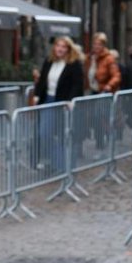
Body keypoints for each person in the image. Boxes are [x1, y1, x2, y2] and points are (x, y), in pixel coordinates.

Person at [31, 36, 84, 171]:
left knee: (63, 134)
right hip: (48, 99)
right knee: (44, 133)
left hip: (64, 102)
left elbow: (77, 85)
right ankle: (54, 161)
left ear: (68, 49)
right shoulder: (49, 61)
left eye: (63, 46)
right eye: (58, 46)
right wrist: (37, 95)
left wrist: (71, 100)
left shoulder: (74, 64)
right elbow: (42, 80)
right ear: (54, 47)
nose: (60, 49)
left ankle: (63, 166)